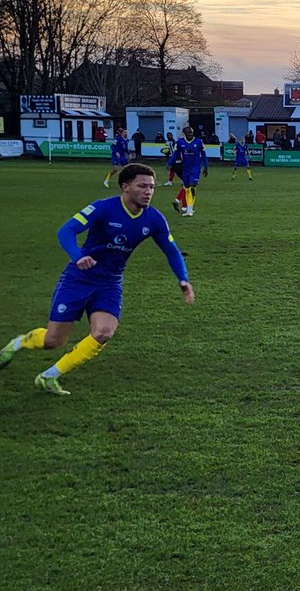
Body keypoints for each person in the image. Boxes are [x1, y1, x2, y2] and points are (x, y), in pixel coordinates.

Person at [0, 163, 194, 396]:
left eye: (152, 187)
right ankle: (19, 343)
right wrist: (78, 257)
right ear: (126, 187)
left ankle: (49, 376)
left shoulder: (154, 219)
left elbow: (172, 251)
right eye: (142, 186)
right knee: (53, 340)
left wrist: (183, 279)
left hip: (110, 282)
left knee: (104, 332)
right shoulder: (103, 208)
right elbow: (66, 231)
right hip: (79, 278)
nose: (148, 192)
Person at [169, 126, 208, 217]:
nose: (190, 134)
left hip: (195, 168)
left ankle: (190, 209)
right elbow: (175, 154)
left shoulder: (198, 142)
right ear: (184, 133)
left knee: (192, 187)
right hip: (185, 168)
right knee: (186, 188)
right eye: (188, 132)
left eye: (191, 132)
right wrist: (169, 163)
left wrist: (206, 167)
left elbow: (204, 155)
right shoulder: (180, 142)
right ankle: (187, 208)